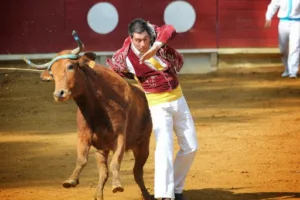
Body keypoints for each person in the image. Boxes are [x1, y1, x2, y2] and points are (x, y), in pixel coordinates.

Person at [107, 18, 198, 200]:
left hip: (178, 99)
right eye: (138, 40)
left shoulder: (156, 36)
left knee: (191, 147)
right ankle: (165, 195)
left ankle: (176, 188)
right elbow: (113, 73)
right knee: (164, 147)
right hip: (157, 104)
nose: (142, 44)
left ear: (150, 36)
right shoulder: (123, 57)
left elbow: (170, 28)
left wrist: (156, 47)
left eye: (145, 40)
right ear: (131, 38)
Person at [265, 0, 300, 78]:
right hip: (283, 23)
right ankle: (287, 69)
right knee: (283, 48)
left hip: (297, 23)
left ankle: (292, 71)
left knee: (295, 47)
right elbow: (273, 6)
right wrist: (268, 17)